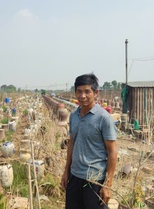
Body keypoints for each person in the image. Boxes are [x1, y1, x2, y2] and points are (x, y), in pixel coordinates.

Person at [61, 73, 117, 209]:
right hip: (75, 175)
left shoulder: (104, 118)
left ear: (95, 93)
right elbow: (72, 143)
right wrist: (66, 170)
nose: (82, 96)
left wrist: (107, 185)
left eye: (87, 91)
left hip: (94, 179)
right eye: (79, 92)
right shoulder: (74, 115)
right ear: (75, 93)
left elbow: (112, 151)